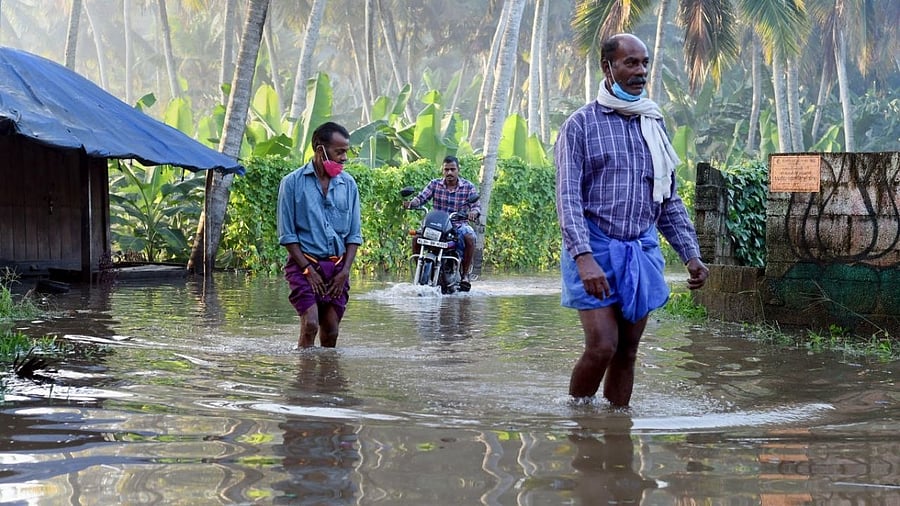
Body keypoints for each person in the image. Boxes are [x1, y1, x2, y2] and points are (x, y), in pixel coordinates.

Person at [554, 33, 708, 407]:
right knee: (602, 346)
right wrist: (583, 257)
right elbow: (568, 198)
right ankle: (580, 423)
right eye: (631, 63)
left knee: (628, 351)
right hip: (595, 250)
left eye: (644, 63)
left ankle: (617, 432)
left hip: (641, 249)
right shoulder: (580, 126)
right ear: (608, 68)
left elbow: (667, 199)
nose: (640, 72)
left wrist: (691, 254)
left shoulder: (652, 124)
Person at [277, 122, 362, 348]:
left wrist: (344, 272)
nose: (344, 158)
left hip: (337, 268)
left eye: (346, 151)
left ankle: (326, 381)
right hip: (304, 265)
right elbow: (287, 235)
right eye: (339, 152)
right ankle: (304, 379)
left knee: (331, 330)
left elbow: (354, 235)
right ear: (319, 149)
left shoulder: (349, 185)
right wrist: (307, 269)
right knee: (311, 324)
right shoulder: (292, 183)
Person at [402, 155, 481, 290]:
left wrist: (474, 213)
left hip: (458, 225)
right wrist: (412, 203)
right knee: (416, 239)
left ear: (458, 170)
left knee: (469, 236)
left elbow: (476, 206)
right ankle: (420, 270)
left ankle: (465, 275)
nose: (449, 172)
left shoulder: (468, 187)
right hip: (437, 225)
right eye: (446, 170)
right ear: (442, 171)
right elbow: (421, 198)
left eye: (452, 169)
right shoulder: (435, 184)